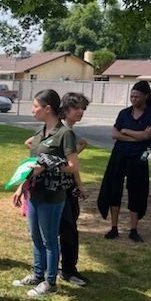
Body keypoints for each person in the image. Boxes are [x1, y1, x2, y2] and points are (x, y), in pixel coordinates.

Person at [12, 89, 79, 297]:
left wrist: (50, 167)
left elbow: (72, 166)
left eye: (35, 106)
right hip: (35, 193)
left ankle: (50, 282)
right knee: (35, 236)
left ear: (47, 108)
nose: (33, 110)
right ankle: (37, 274)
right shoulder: (40, 132)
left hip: (52, 195)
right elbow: (33, 163)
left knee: (49, 238)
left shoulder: (64, 133)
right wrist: (21, 186)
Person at [97, 80, 151, 242]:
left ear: (146, 96)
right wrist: (136, 137)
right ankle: (114, 227)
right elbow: (115, 134)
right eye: (131, 96)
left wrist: (126, 132)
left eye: (137, 96)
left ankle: (133, 229)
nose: (133, 99)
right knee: (114, 189)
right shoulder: (124, 113)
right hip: (119, 155)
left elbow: (147, 136)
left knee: (137, 191)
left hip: (139, 158)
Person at [58, 92, 90, 286]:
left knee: (69, 228)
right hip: (59, 187)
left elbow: (72, 163)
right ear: (66, 110)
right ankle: (68, 270)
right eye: (77, 108)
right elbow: (31, 144)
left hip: (67, 186)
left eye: (83, 109)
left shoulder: (68, 131)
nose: (80, 112)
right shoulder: (62, 131)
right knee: (67, 229)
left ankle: (66, 268)